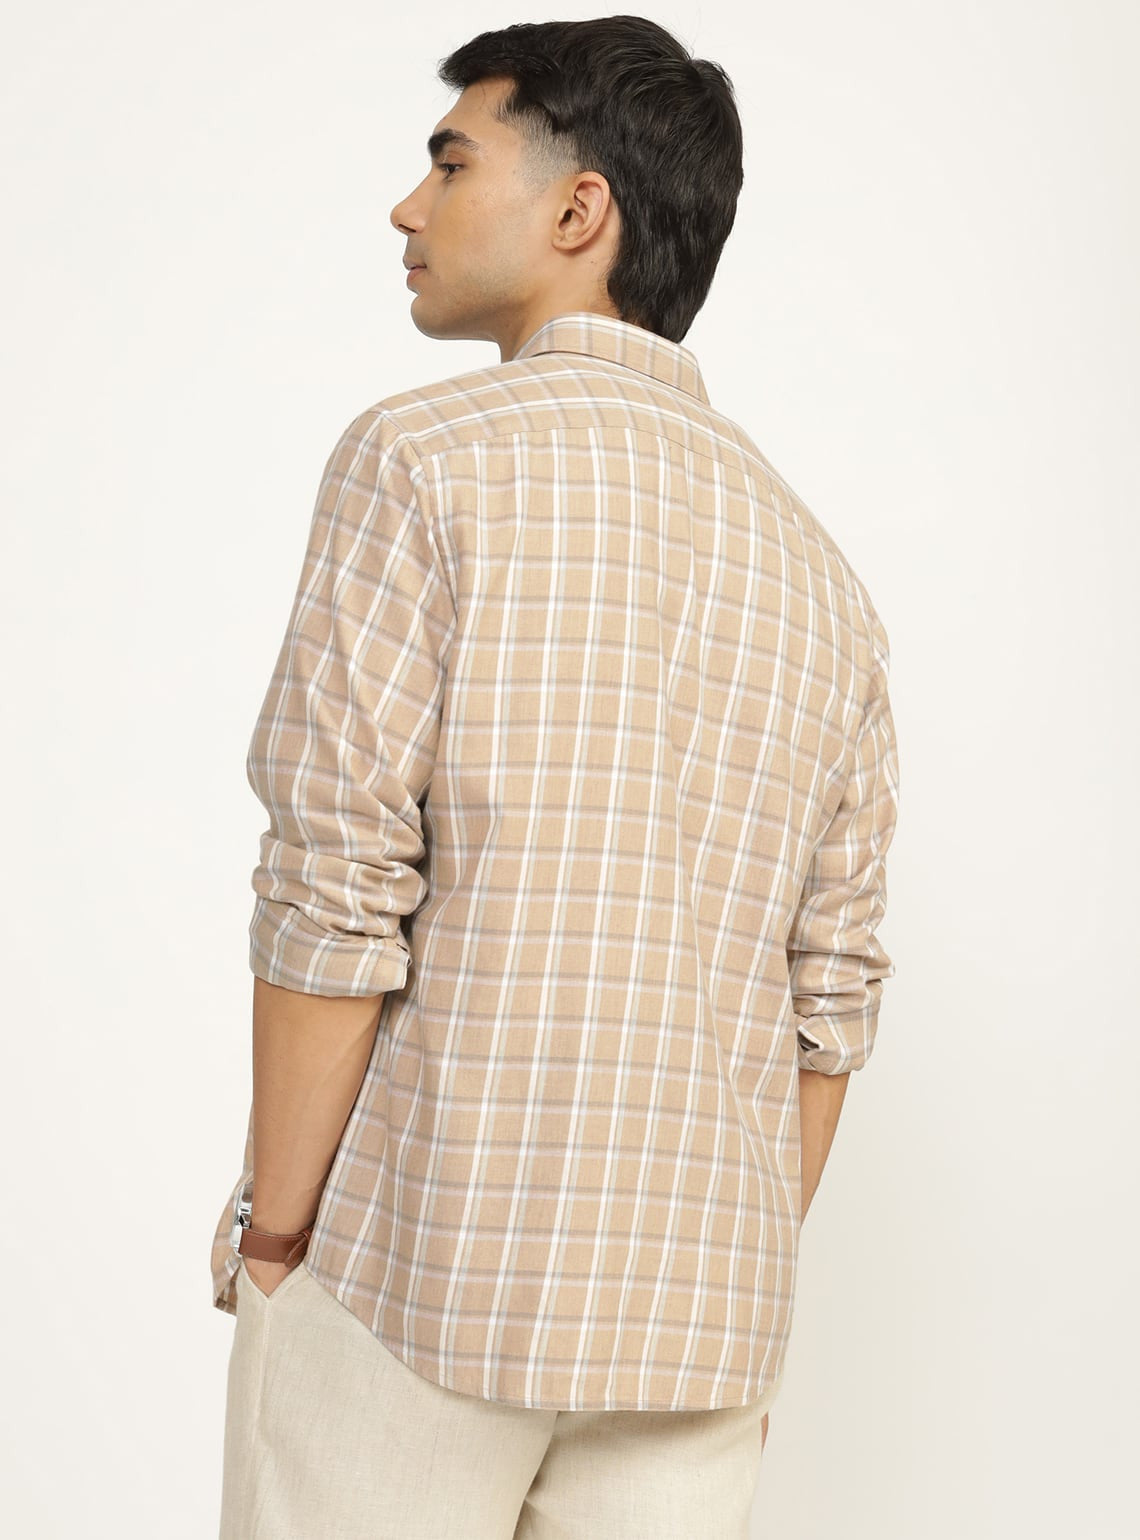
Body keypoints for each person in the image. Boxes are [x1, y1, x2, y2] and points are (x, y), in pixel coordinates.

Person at [209, 16, 901, 1540]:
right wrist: (732, 1285)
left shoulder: (421, 462)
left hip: (423, 1277)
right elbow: (830, 1001)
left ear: (581, 210)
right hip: (699, 1332)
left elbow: (335, 883)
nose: (409, 205)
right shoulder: (825, 582)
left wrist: (277, 1231)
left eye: (451, 162)